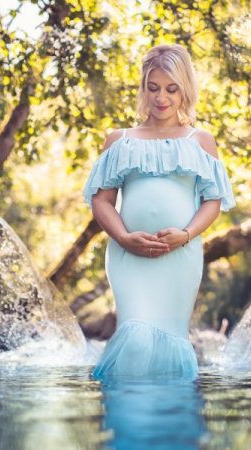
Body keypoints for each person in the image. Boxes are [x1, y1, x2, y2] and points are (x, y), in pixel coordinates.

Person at [82, 43, 236, 380]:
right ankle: (127, 422)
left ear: (185, 90)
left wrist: (186, 234)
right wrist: (123, 237)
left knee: (170, 343)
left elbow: (213, 202)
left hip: (179, 258)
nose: (161, 98)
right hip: (128, 257)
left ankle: (170, 423)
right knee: (135, 339)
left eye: (171, 89)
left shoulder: (201, 140)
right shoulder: (119, 140)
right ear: (143, 88)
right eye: (153, 88)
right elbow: (102, 201)